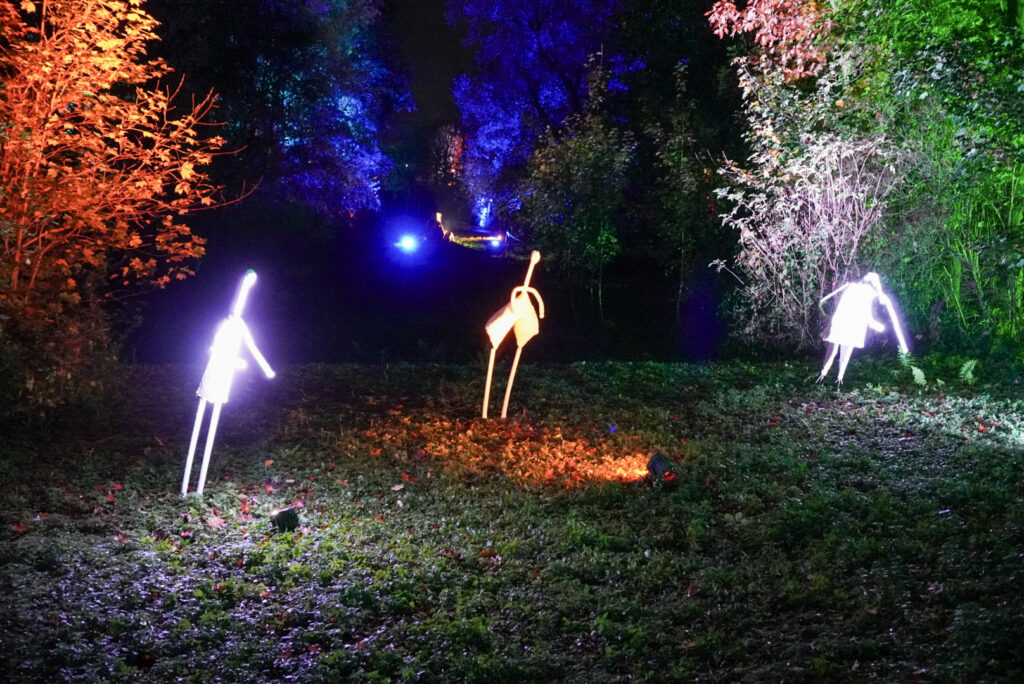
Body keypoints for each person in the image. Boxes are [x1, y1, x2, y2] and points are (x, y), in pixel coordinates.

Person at [817, 271, 892, 385]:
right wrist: (879, 327)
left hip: (841, 321)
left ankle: (825, 375)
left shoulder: (851, 287)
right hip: (851, 324)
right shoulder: (867, 293)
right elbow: (874, 308)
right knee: (844, 351)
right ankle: (836, 377)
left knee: (833, 349)